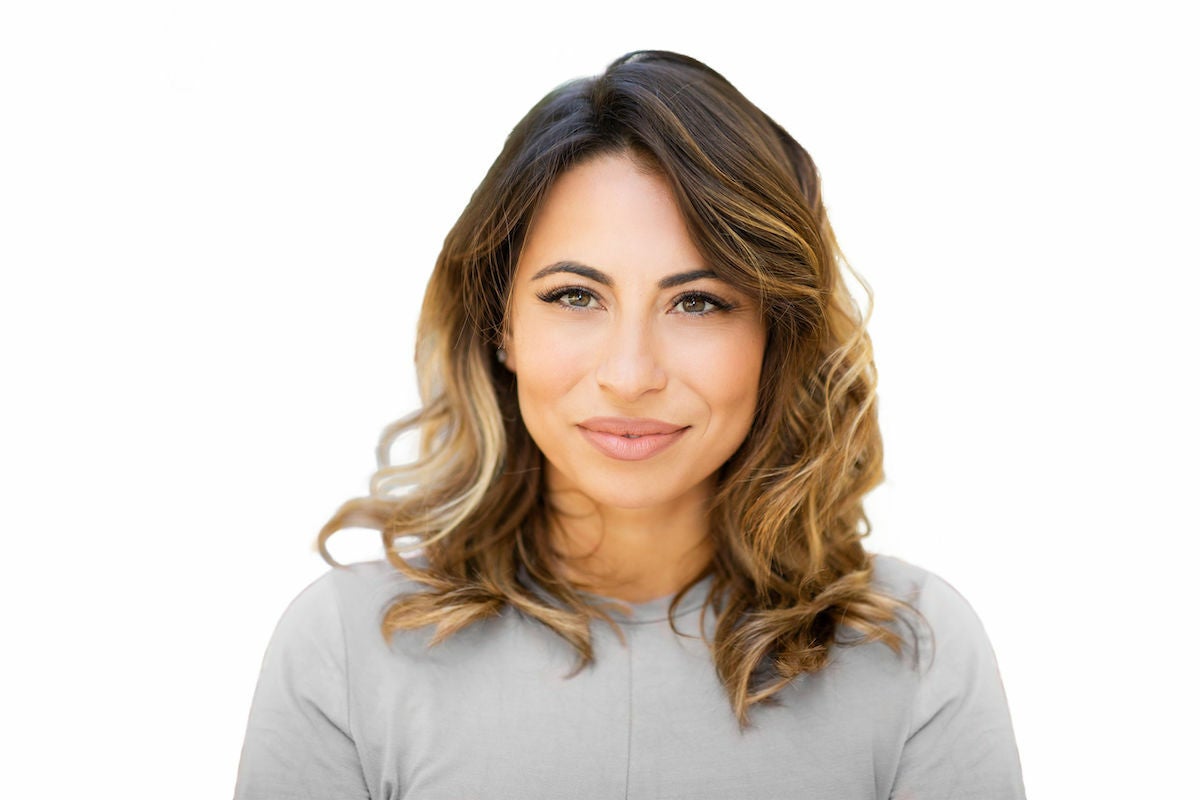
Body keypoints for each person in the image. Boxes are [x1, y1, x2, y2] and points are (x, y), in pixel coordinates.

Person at [234, 51, 1025, 799]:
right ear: (500, 324)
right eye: (575, 296)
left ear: (773, 336)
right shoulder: (345, 649)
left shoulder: (912, 652)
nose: (631, 374)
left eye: (699, 302)